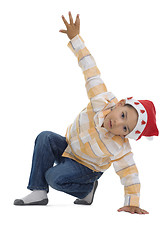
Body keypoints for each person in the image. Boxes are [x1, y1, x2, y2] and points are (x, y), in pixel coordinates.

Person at [14, 12, 159, 214]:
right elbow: (90, 70)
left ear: (126, 135)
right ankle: (39, 191)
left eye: (125, 128)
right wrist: (75, 38)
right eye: (123, 116)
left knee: (54, 176)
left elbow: (130, 174)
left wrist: (133, 201)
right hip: (69, 149)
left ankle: (86, 189)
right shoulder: (101, 100)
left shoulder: (119, 148)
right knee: (45, 137)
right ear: (120, 104)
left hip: (86, 169)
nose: (118, 124)